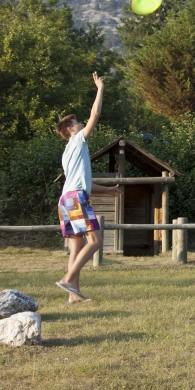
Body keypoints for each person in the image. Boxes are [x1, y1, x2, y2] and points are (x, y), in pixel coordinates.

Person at [54, 73, 118, 303]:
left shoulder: (67, 153)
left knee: (77, 245)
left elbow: (83, 182)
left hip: (66, 200)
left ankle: (74, 295)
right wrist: (100, 88)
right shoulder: (79, 140)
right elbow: (96, 114)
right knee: (96, 241)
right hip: (76, 199)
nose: (81, 124)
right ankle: (68, 279)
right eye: (77, 123)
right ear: (71, 130)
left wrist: (108, 191)